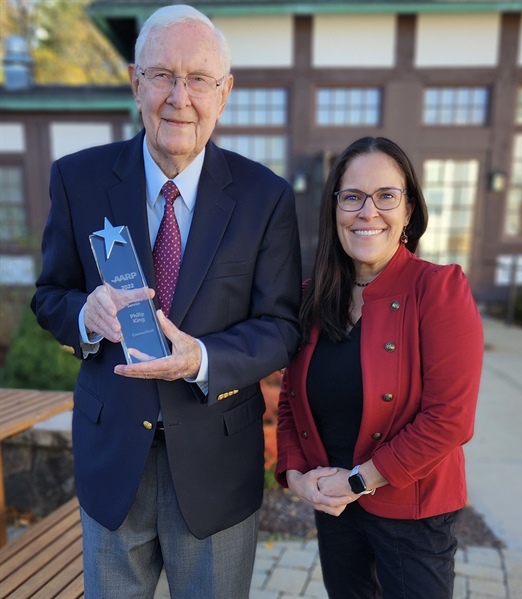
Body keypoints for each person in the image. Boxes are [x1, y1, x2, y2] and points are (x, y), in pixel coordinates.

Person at [31, 5, 301, 598]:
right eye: (162, 75)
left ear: (223, 94)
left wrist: (201, 357)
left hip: (215, 464)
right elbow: (49, 295)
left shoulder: (265, 198)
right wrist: (86, 315)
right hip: (113, 460)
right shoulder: (78, 180)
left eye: (199, 79)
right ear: (135, 83)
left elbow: (282, 326)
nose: (180, 96)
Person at [276, 136, 483, 599]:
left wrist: (357, 480)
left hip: (413, 514)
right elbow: (291, 401)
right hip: (336, 511)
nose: (367, 211)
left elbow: (449, 419)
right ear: (334, 210)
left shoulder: (438, 290)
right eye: (352, 197)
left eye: (386, 196)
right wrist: (297, 478)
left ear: (409, 210)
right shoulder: (313, 297)